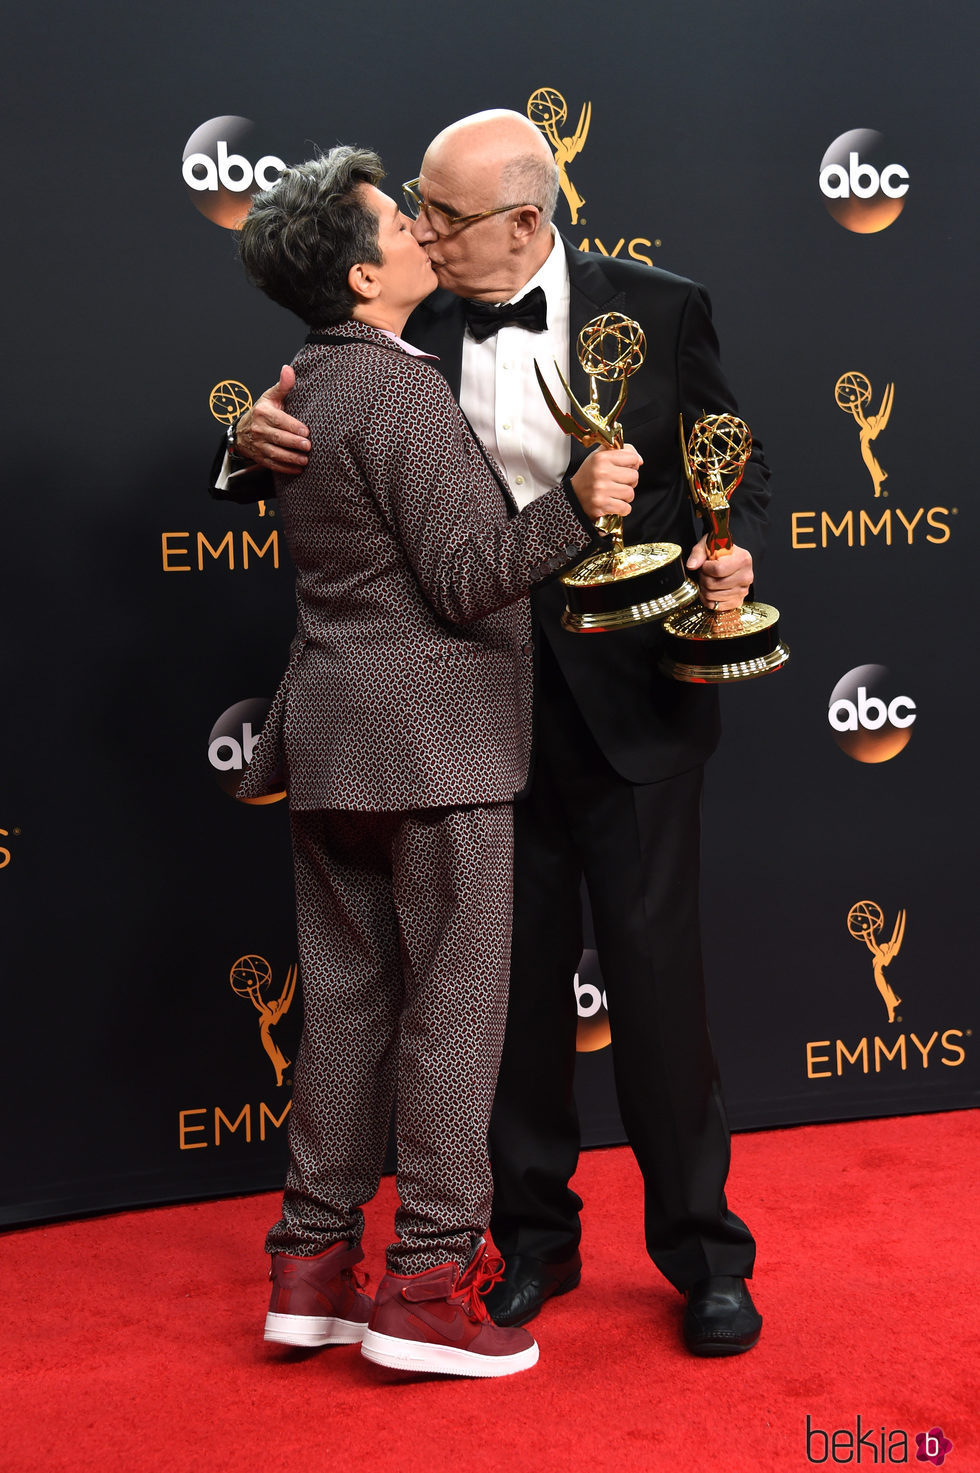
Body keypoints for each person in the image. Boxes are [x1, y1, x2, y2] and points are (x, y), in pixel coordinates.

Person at [215, 110, 771, 1357]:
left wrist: (720, 560)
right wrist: (239, 451)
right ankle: (523, 1247)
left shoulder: (661, 306)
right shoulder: (413, 323)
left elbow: (730, 471)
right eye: (408, 209)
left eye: (443, 215)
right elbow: (319, 414)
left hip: (632, 705)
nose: (420, 228)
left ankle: (701, 1254)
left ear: (526, 222)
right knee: (497, 1002)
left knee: (657, 994)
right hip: (469, 710)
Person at [232, 143, 631, 1378]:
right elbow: (465, 578)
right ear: (362, 275)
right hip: (436, 745)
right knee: (451, 1016)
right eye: (394, 221)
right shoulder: (398, 391)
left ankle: (308, 1267)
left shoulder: (302, 385)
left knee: (347, 1008)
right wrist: (581, 505)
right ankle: (422, 1287)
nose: (417, 225)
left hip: (336, 743)